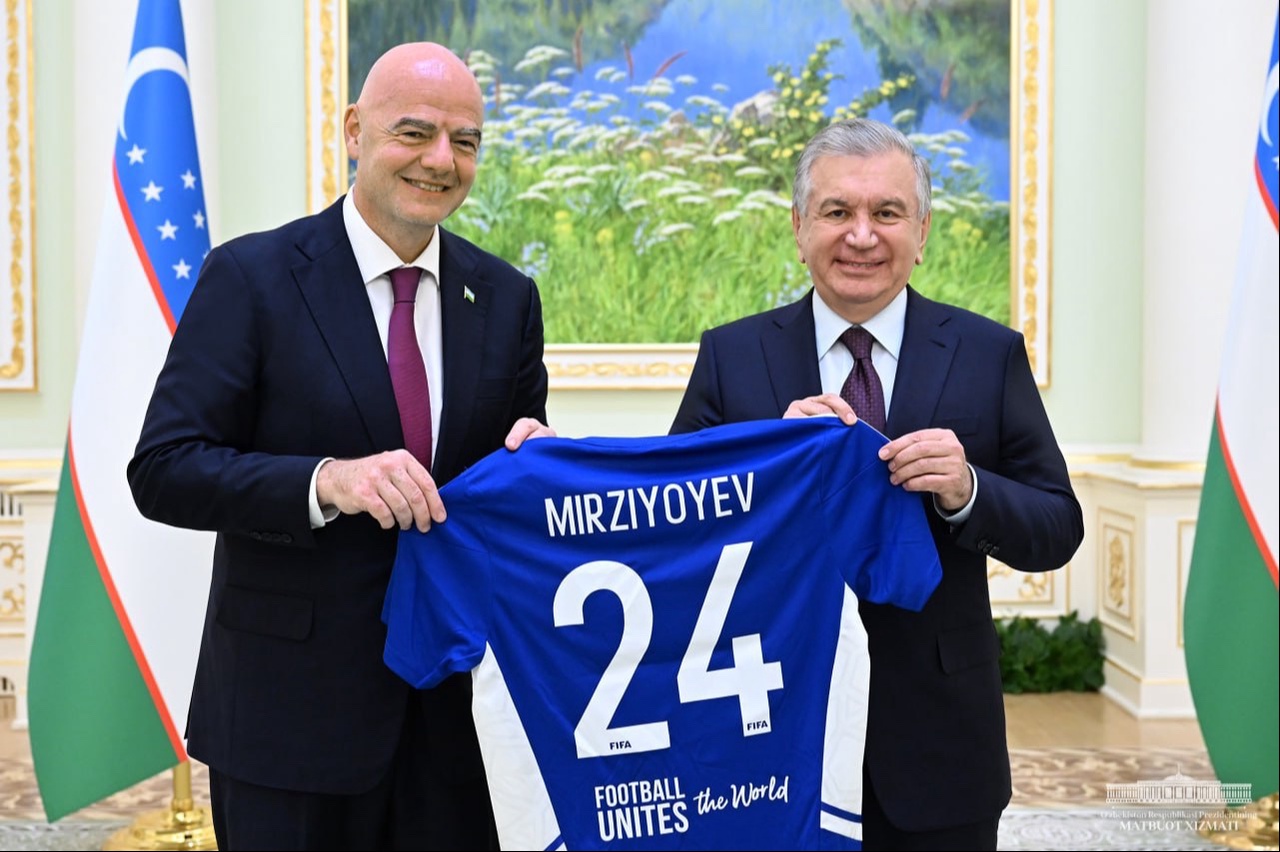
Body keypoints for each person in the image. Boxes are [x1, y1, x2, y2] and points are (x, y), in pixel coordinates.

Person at [128, 42, 553, 851]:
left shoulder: (507, 298)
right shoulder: (251, 277)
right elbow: (165, 468)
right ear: (355, 130)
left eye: (464, 141)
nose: (441, 160)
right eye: (414, 132)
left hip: (458, 726)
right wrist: (326, 483)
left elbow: (510, 470)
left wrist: (539, 464)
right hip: (288, 722)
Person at [670, 117, 1084, 850]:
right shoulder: (731, 357)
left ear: (921, 232)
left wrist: (967, 489)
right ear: (799, 227)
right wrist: (765, 464)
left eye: (886, 212)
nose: (861, 235)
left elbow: (1057, 525)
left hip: (938, 745)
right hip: (765, 738)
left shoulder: (987, 354)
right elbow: (675, 534)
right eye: (837, 211)